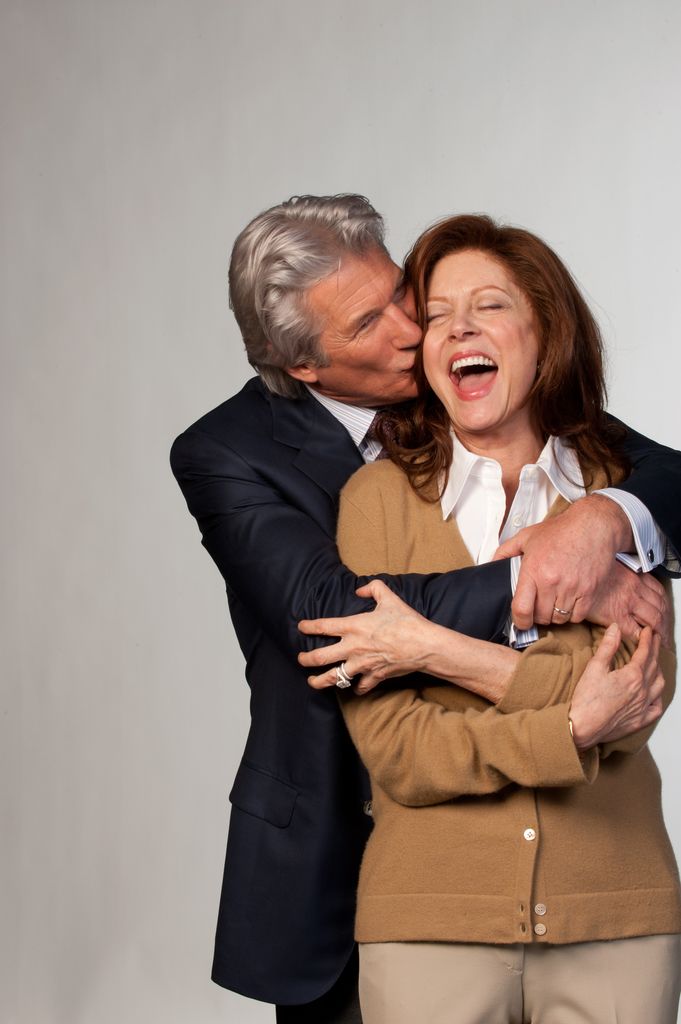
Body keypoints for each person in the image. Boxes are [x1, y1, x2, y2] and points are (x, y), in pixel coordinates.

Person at [170, 195, 681, 1023]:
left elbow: (660, 476)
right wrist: (546, 578)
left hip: (576, 870)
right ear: (305, 365)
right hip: (339, 832)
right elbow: (335, 614)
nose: (414, 331)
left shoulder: (476, 392)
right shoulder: (226, 451)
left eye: (402, 295)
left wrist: (604, 519)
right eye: (370, 324)